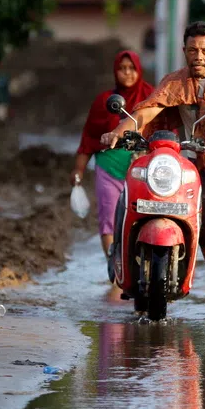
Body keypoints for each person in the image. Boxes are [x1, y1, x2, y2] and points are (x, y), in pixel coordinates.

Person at [100, 22, 205, 319]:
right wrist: (119, 130)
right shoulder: (175, 82)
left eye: (204, 50)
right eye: (192, 50)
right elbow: (147, 110)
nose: (198, 56)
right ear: (184, 52)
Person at [73, 51, 155, 258]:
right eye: (122, 68)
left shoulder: (152, 98)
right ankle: (115, 268)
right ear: (115, 72)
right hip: (109, 168)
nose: (127, 73)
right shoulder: (104, 101)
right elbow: (88, 138)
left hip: (143, 170)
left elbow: (165, 133)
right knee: (108, 219)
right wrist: (78, 170)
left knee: (144, 216)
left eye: (132, 68)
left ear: (139, 70)